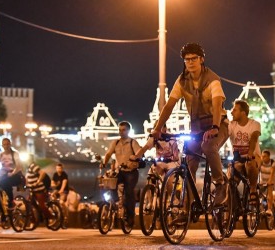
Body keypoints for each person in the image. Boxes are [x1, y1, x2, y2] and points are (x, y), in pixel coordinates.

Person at [151, 43, 228, 205]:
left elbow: (216, 104)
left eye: (194, 59)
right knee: (189, 162)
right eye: (187, 60)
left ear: (202, 59)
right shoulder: (182, 81)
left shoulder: (212, 79)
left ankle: (220, 184)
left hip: (218, 124)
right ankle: (187, 206)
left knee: (208, 147)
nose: (190, 62)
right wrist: (157, 128)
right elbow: (169, 106)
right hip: (197, 128)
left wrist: (214, 127)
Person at [102, 121, 142, 227]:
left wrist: (134, 158)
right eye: (120, 130)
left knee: (129, 193)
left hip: (131, 172)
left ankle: (130, 217)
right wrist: (104, 163)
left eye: (124, 130)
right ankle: (115, 203)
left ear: (128, 130)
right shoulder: (115, 143)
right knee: (111, 183)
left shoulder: (133, 142)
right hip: (120, 171)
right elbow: (109, 153)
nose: (121, 132)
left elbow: (139, 153)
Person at [228, 99, 260, 205]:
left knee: (250, 164)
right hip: (238, 160)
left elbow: (254, 138)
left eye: (234, 110)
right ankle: (232, 211)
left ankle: (253, 190)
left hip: (252, 159)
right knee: (229, 183)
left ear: (243, 112)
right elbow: (223, 135)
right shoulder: (231, 125)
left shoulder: (254, 124)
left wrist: (250, 153)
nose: (232, 112)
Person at [259, 150, 275, 216]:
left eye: (265, 156)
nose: (263, 158)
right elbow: (257, 170)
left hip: (271, 180)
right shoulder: (261, 162)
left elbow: (273, 173)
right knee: (258, 192)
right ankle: (260, 208)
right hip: (263, 181)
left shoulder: (272, 162)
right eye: (262, 156)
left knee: (269, 192)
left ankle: (269, 209)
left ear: (269, 156)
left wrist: (270, 181)